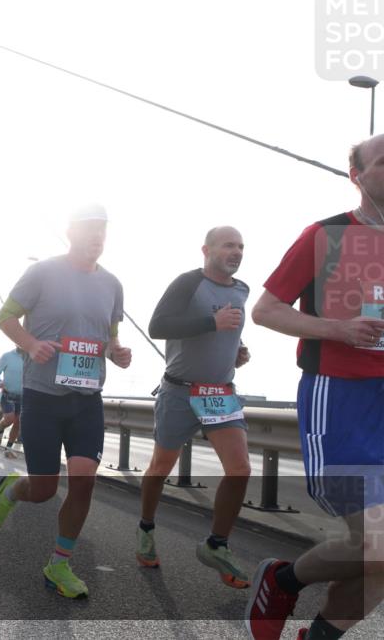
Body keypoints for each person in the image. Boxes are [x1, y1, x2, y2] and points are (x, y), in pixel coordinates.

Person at [245, 135, 384, 640]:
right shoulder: (324, 236)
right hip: (340, 399)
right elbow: (265, 311)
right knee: (378, 542)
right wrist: (339, 329)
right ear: (357, 175)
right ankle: (282, 579)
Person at [0, 203, 131, 599]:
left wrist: (117, 351)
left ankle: (59, 564)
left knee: (84, 482)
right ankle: (14, 489)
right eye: (88, 228)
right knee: (46, 489)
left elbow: (110, 334)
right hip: (44, 397)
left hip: (87, 400)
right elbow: (5, 316)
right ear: (70, 232)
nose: (96, 236)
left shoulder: (113, 284)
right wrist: (30, 344)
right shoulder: (42, 272)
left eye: (102, 229)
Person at [136, 226, 252, 588]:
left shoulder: (242, 289)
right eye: (228, 245)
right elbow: (159, 326)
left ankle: (217, 545)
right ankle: (146, 528)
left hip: (220, 392)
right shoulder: (187, 282)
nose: (236, 252)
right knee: (160, 467)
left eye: (241, 246)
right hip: (180, 392)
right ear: (207, 249)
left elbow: (228, 328)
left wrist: (237, 349)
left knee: (240, 470)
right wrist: (211, 324)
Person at [0, 347, 25, 458]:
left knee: (18, 423)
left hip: (23, 396)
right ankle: (0, 431)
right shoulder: (7, 356)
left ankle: (8, 448)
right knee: (9, 419)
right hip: (7, 394)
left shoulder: (30, 357)